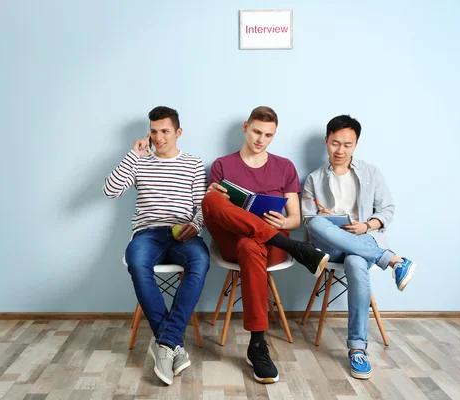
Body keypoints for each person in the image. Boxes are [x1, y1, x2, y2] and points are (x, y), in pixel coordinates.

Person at [202, 106, 330, 384]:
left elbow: (295, 218)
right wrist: (217, 195)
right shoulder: (223, 164)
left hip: (265, 245)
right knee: (210, 200)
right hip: (230, 240)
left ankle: (257, 345)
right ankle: (300, 250)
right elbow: (215, 212)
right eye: (257, 132)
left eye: (268, 135)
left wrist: (284, 224)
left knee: (250, 246)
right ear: (246, 126)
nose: (261, 139)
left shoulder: (284, 167)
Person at [302, 114, 417, 380]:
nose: (340, 150)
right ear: (326, 141)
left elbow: (387, 209)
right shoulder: (313, 179)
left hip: (362, 241)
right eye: (335, 143)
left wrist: (366, 226)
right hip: (329, 243)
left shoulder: (371, 173)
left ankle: (357, 350)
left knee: (355, 261)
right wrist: (329, 220)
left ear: (356, 145)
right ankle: (392, 260)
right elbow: (308, 221)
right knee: (318, 223)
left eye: (347, 144)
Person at [103, 106, 210, 385]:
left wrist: (196, 226)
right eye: (154, 131)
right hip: (147, 233)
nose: (159, 137)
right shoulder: (140, 161)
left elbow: (202, 206)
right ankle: (171, 343)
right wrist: (133, 155)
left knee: (200, 261)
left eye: (165, 131)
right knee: (137, 263)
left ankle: (164, 342)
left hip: (183, 233)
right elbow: (110, 191)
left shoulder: (193, 163)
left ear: (178, 132)